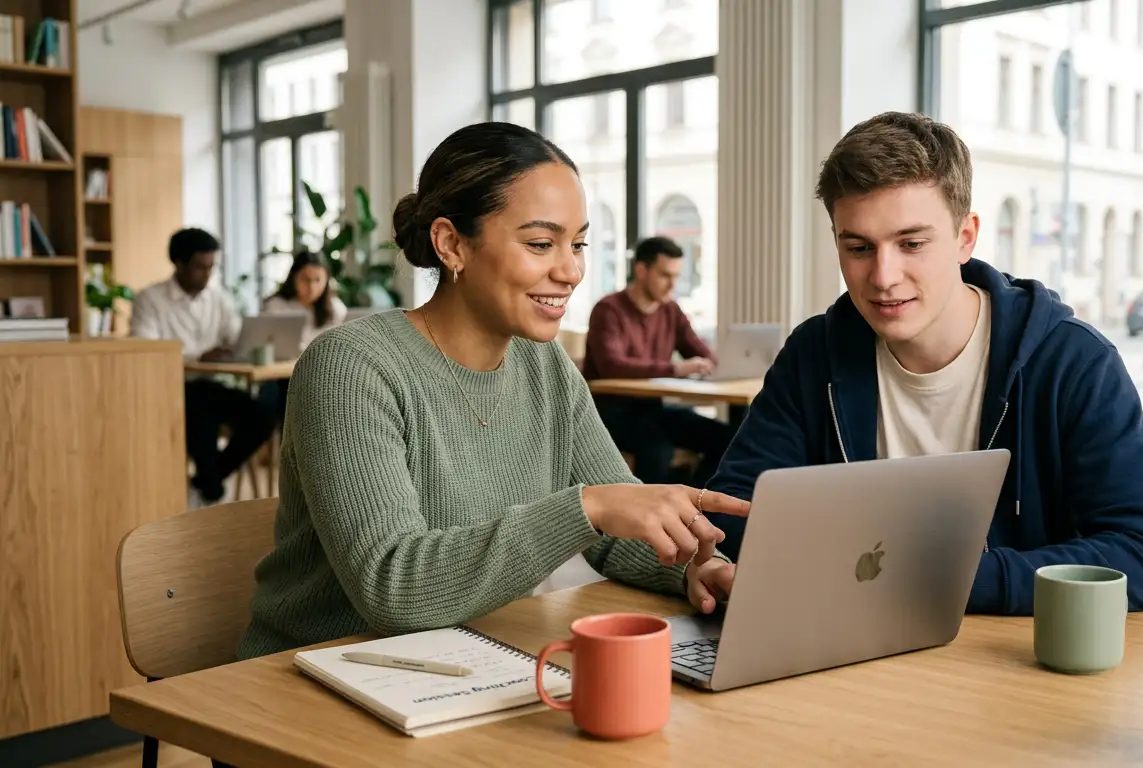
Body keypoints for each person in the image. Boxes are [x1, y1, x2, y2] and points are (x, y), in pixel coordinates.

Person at [237, 122, 748, 660]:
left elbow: (617, 528)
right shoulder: (351, 367)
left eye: (577, 243)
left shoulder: (541, 361)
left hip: (466, 660)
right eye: (540, 243)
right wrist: (587, 507)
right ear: (452, 244)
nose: (571, 270)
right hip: (316, 673)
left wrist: (696, 567)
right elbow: (392, 586)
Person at [705, 112, 1143, 615]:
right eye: (858, 247)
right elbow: (734, 509)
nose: (883, 276)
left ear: (965, 237)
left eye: (912, 243)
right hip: (849, 652)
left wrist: (930, 577)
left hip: (1012, 666)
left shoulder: (1072, 360)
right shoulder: (814, 354)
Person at [130, 227, 275, 508]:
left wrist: (246, 345)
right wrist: (199, 356)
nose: (207, 274)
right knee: (201, 410)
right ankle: (210, 489)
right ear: (179, 263)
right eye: (199, 267)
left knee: (262, 415)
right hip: (169, 388)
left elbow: (235, 338)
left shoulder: (218, 298)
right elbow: (147, 352)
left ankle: (207, 483)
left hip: (211, 385)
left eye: (211, 267)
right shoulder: (150, 300)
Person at [582, 236, 736, 486]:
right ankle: (646, 522)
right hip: (610, 413)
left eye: (676, 275)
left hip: (653, 409)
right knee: (656, 449)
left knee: (729, 439)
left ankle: (697, 508)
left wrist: (718, 361)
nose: (672, 284)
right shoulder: (608, 310)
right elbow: (612, 365)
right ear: (641, 270)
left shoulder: (671, 310)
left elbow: (701, 352)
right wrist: (676, 368)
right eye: (665, 275)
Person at [257, 250, 348, 421]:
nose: (312, 287)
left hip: (321, 378)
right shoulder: (275, 306)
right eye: (306, 280)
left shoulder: (335, 309)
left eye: (317, 280)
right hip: (281, 378)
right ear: (293, 278)